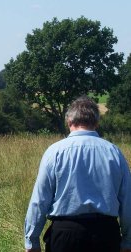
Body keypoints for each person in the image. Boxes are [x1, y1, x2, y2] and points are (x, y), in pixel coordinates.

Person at [24, 96, 131, 252]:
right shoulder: (114, 153)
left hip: (65, 236)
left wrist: (31, 240)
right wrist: (128, 241)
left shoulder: (54, 152)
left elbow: (40, 200)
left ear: (69, 121)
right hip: (106, 235)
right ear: (96, 123)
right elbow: (127, 200)